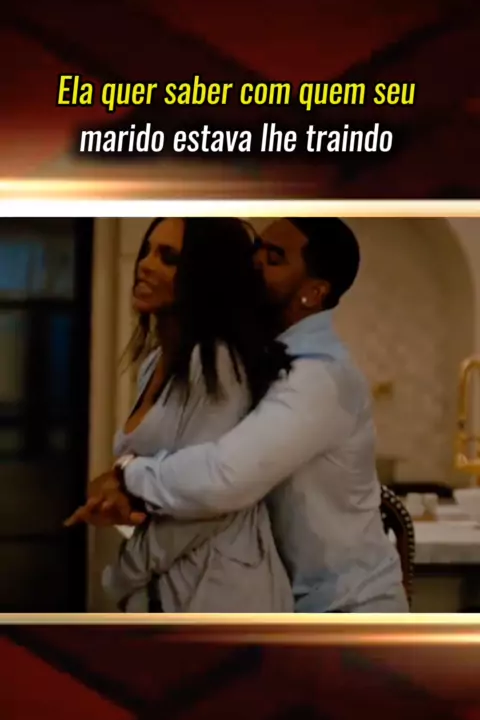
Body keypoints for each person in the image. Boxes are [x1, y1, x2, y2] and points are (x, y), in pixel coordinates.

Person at [73, 217, 409, 613]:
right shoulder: (252, 354)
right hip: (293, 600)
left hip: (347, 607)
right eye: (256, 250)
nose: (255, 263)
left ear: (312, 293)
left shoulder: (318, 377)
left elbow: (224, 478)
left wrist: (128, 475)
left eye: (274, 258)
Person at [66, 217, 294, 613]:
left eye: (168, 258)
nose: (145, 264)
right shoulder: (154, 362)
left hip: (223, 593)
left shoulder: (217, 364)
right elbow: (165, 475)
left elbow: (208, 501)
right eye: (148, 251)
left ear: (204, 277)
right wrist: (120, 491)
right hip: (172, 585)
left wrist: (123, 574)